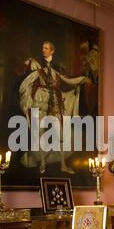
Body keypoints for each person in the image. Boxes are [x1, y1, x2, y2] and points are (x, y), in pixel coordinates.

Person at [19, 41, 90, 174]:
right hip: (40, 104)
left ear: (52, 51)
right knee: (40, 135)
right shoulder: (36, 63)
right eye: (42, 48)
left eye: (46, 48)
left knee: (61, 134)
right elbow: (26, 76)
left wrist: (81, 79)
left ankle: (63, 165)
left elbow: (68, 80)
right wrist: (29, 61)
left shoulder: (57, 68)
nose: (43, 50)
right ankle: (43, 164)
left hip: (55, 105)